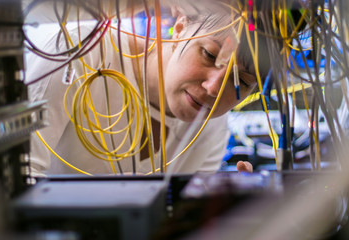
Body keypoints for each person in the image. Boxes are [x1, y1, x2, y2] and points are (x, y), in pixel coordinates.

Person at [26, 3, 269, 176]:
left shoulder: (211, 127)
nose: (213, 89)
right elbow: (15, 187)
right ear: (180, 27)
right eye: (208, 55)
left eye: (242, 81)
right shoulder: (80, 52)